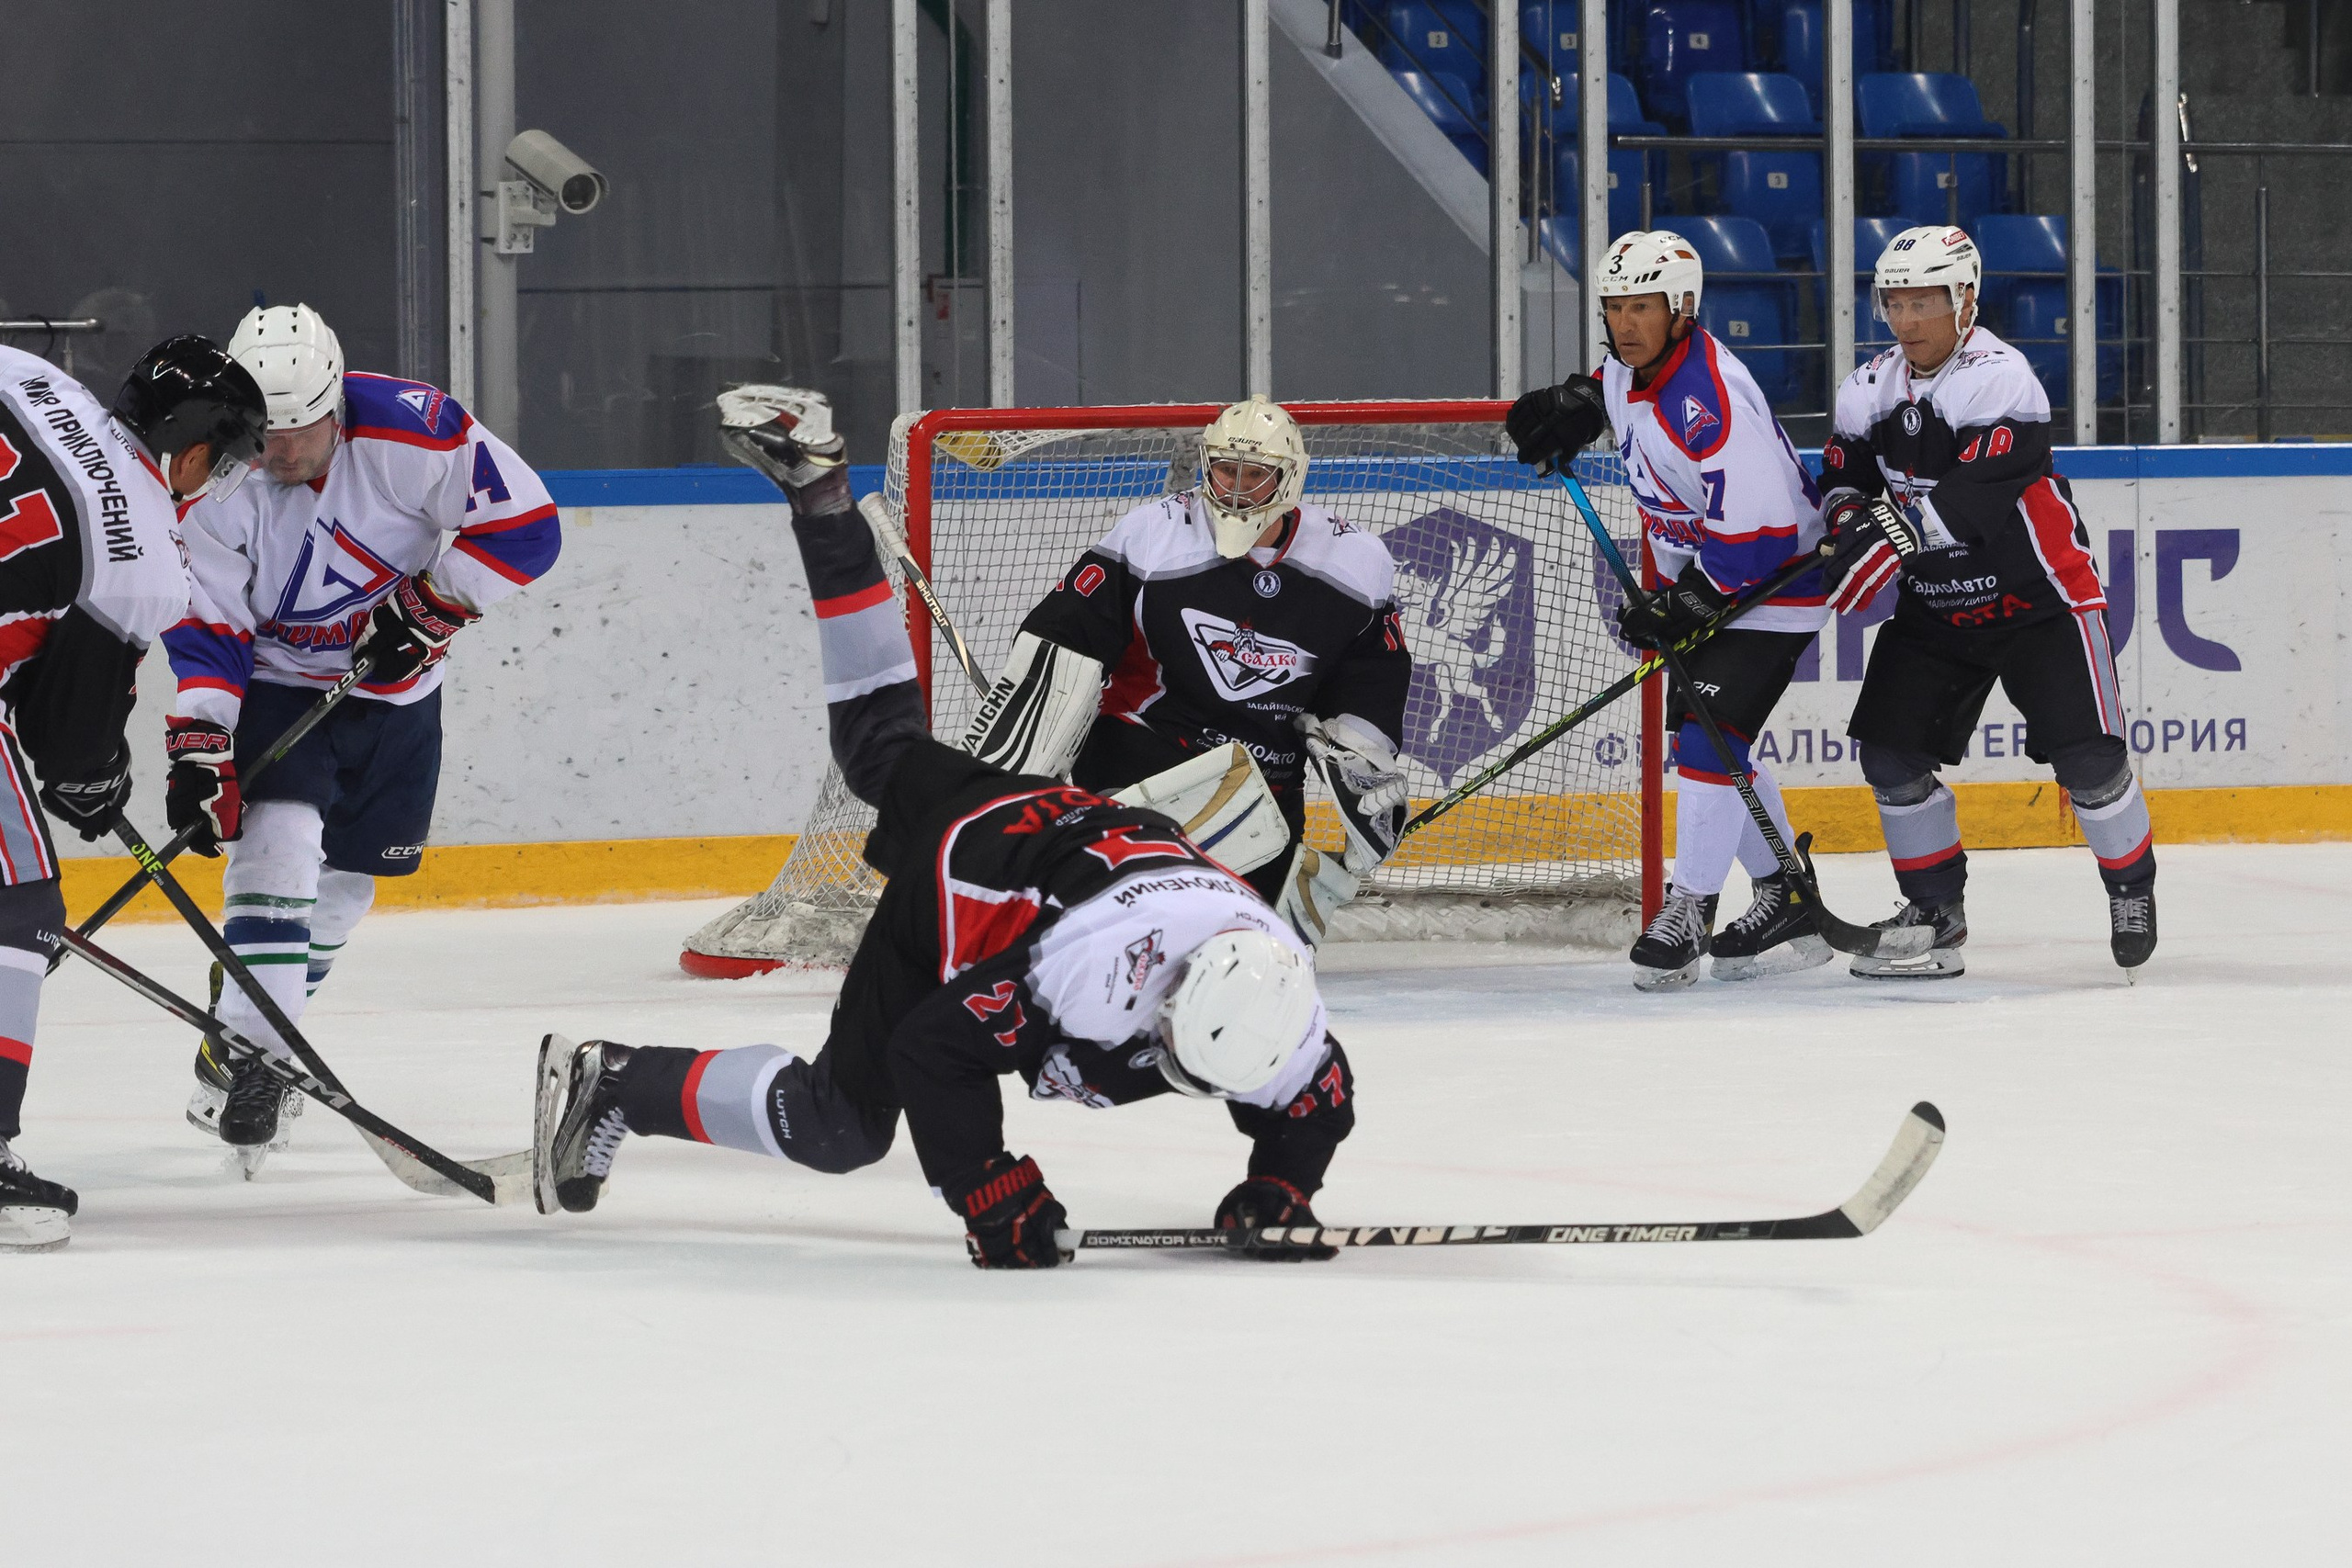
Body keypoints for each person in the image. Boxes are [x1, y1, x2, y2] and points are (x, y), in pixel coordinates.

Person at [532, 389, 1356, 1269]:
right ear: (1166, 999)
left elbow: (1319, 1103)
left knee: (878, 746)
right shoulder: (1092, 973)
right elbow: (936, 1050)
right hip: (964, 876)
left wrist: (1282, 1187)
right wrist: (990, 1186)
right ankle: (615, 1081)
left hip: (1055, 821)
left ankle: (822, 498)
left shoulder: (1284, 1004)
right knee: (839, 1123)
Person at [164, 303, 563, 1152]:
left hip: (399, 697)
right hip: (278, 686)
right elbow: (209, 625)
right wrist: (201, 741)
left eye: (300, 432)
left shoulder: (414, 431)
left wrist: (434, 603)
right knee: (276, 855)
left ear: (337, 404)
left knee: (344, 892)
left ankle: (241, 1011)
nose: (279, 452)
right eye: (264, 432)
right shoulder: (214, 475)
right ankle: (261, 1060)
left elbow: (529, 526)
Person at [1820, 224, 2153, 977]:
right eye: (1895, 302)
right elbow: (1843, 478)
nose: (1907, 319)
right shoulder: (1866, 388)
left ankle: (2130, 886)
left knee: (2090, 762)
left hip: (2042, 599)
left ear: (1965, 300)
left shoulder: (2000, 378)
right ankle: (1936, 916)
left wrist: (1886, 537)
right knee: (1890, 754)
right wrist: (1846, 521)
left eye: (1924, 301)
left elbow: (1973, 498)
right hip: (1939, 606)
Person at [957, 395, 1413, 945]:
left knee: (1251, 943)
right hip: (1145, 751)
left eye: (1256, 474)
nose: (1237, 488)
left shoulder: (1356, 560)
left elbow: (1372, 673)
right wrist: (1023, 753)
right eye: (1225, 470)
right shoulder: (1153, 534)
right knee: (1141, 927)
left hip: (1263, 779)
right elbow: (1067, 638)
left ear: (1289, 479)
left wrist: (1362, 753)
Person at [1506, 230, 1831, 989]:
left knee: (1710, 736)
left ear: (1681, 309)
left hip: (1774, 586)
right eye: (1615, 307)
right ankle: (1787, 893)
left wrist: (1686, 602)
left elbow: (1761, 534)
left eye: (1643, 308)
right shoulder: (1632, 372)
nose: (1625, 324)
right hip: (1721, 580)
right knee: (1706, 735)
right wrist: (1578, 404)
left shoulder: (1708, 396)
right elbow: (1611, 388)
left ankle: (1689, 909)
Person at [0, 334, 264, 1248]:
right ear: (190, 451)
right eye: (221, 462)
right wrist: (97, 775)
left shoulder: (32, 377)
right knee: (19, 904)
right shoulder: (145, 547)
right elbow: (66, 745)